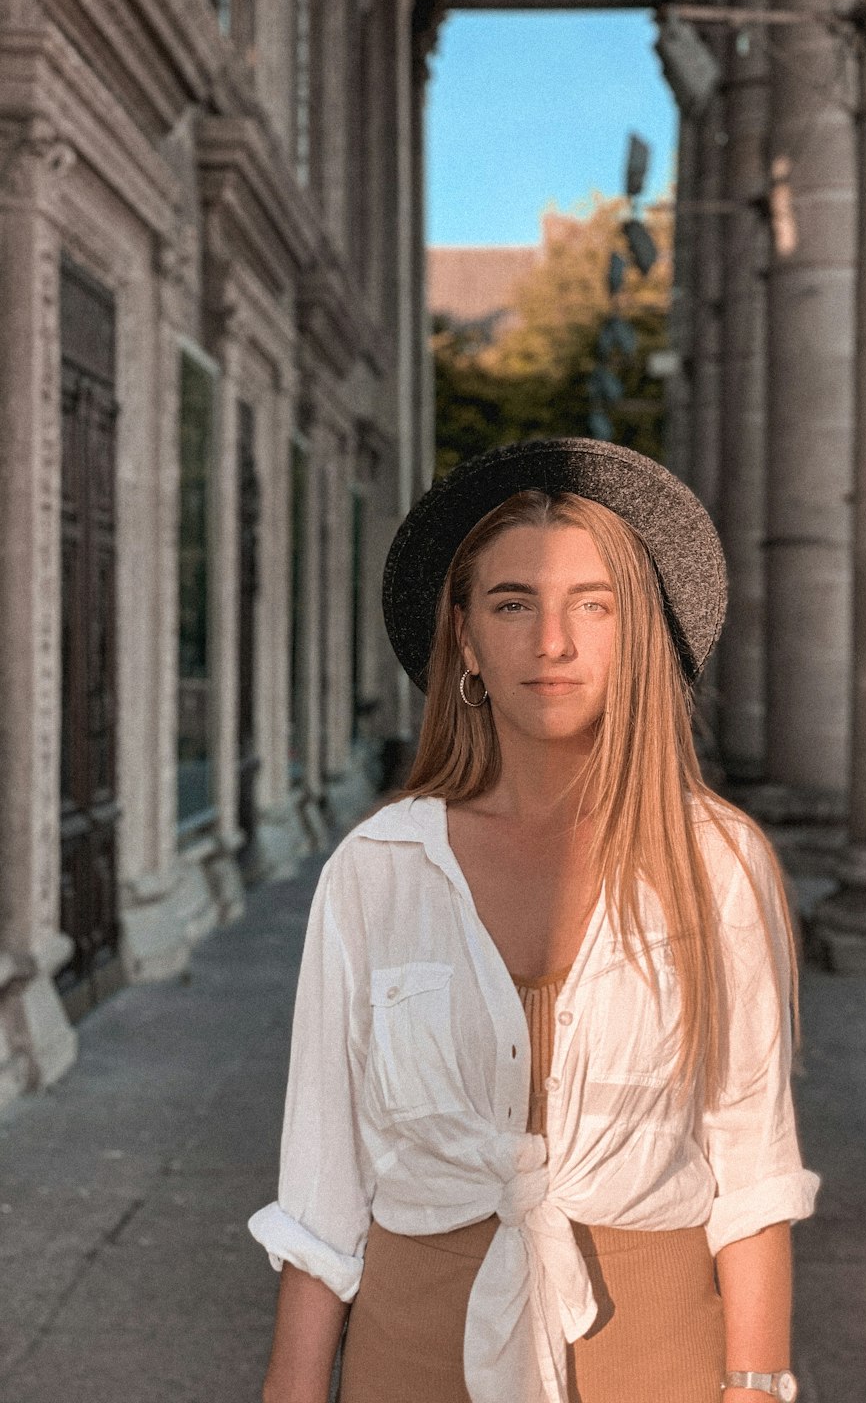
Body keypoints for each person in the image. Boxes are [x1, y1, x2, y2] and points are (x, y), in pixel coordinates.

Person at [249, 437, 820, 1403]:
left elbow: (753, 1161)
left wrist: (756, 1386)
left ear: (635, 635)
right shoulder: (378, 872)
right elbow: (322, 1179)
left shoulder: (717, 861)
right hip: (413, 1358)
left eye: (591, 606)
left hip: (657, 1361)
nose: (551, 643)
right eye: (513, 604)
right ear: (465, 638)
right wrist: (293, 1389)